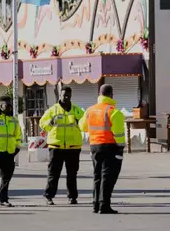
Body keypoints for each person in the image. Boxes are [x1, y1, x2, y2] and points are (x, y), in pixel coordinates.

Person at [79, 84, 126, 214]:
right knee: (108, 176)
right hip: (110, 147)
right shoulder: (114, 112)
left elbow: (82, 127)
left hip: (94, 146)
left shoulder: (90, 110)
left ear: (99, 94)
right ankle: (104, 205)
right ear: (111, 95)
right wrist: (121, 146)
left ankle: (95, 204)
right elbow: (118, 133)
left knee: (97, 175)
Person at [39, 86, 85, 206]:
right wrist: (50, 123)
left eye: (68, 96)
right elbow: (42, 123)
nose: (66, 98)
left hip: (73, 147)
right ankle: (49, 196)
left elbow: (85, 124)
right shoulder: (53, 110)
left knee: (72, 174)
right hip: (56, 146)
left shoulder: (77, 110)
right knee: (53, 173)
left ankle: (72, 197)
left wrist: (78, 122)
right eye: (64, 95)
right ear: (60, 95)